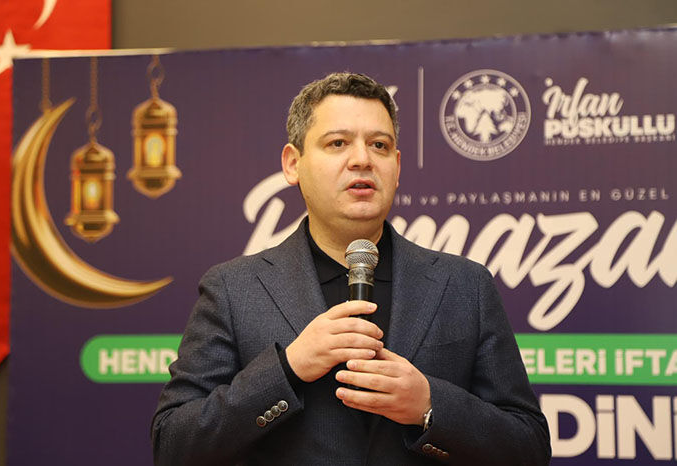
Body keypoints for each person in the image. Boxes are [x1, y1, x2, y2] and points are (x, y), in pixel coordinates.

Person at [152, 72, 551, 465]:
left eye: (379, 145)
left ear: (396, 166)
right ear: (293, 164)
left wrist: (429, 407)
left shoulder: (465, 285)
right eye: (337, 143)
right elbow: (173, 445)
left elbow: (529, 446)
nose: (362, 159)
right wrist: (287, 369)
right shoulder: (233, 289)